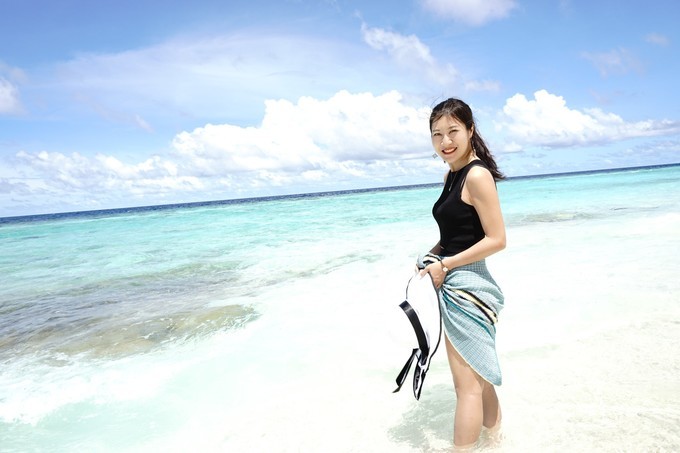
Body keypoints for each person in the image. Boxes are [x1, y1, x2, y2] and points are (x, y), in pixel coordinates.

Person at [418, 98, 506, 451]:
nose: (445, 141)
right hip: (455, 280)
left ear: (470, 130)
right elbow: (455, 234)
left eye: (453, 131)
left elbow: (497, 239)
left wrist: (446, 265)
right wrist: (432, 255)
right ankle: (497, 442)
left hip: (469, 288)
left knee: (466, 388)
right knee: (480, 379)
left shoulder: (477, 175)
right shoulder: (452, 175)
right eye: (437, 134)